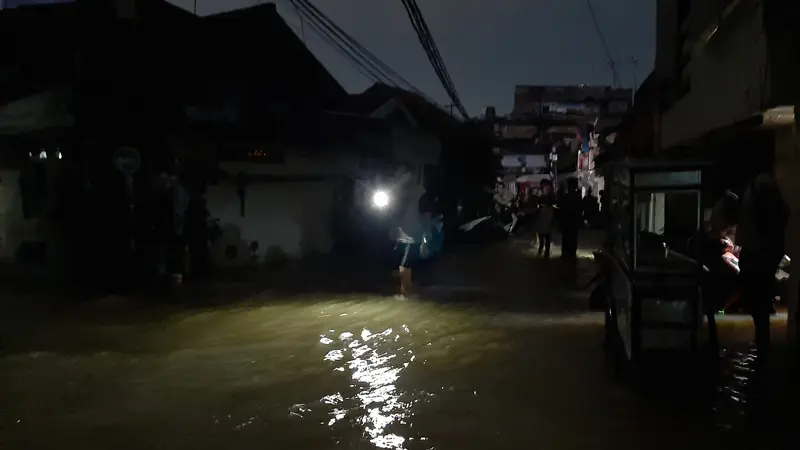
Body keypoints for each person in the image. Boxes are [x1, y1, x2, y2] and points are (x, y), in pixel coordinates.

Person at [736, 172, 789, 356]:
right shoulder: (762, 186)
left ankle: (762, 344)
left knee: (758, 300)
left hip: (759, 252)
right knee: (760, 300)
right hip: (763, 252)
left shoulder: (759, 186)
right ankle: (762, 342)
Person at [392, 178, 429, 298]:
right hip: (403, 236)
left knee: (405, 265)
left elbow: (425, 218)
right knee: (404, 266)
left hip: (412, 237)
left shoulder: (419, 196)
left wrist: (425, 239)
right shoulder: (401, 195)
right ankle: (406, 291)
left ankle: (406, 292)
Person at [560, 177, 582, 259]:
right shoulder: (576, 197)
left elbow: (562, 208)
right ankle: (571, 255)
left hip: (568, 220)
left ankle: (566, 254)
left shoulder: (567, 197)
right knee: (572, 238)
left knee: (567, 238)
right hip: (572, 221)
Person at [533, 181, 555, 258]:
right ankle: (542, 250)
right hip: (543, 216)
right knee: (543, 234)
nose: (545, 189)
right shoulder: (542, 196)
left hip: (546, 215)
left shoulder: (549, 197)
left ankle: (545, 251)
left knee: (546, 234)